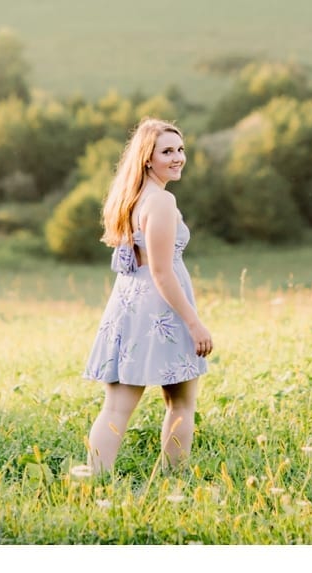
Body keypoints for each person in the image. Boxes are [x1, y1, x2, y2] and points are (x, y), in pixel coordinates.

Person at [81, 118, 214, 475]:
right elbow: (161, 270)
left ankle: (94, 482)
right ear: (146, 159)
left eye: (180, 149)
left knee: (115, 409)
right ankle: (174, 483)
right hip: (163, 311)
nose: (177, 158)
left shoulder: (133, 198)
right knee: (181, 405)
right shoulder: (162, 202)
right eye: (167, 151)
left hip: (130, 305)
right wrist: (194, 322)